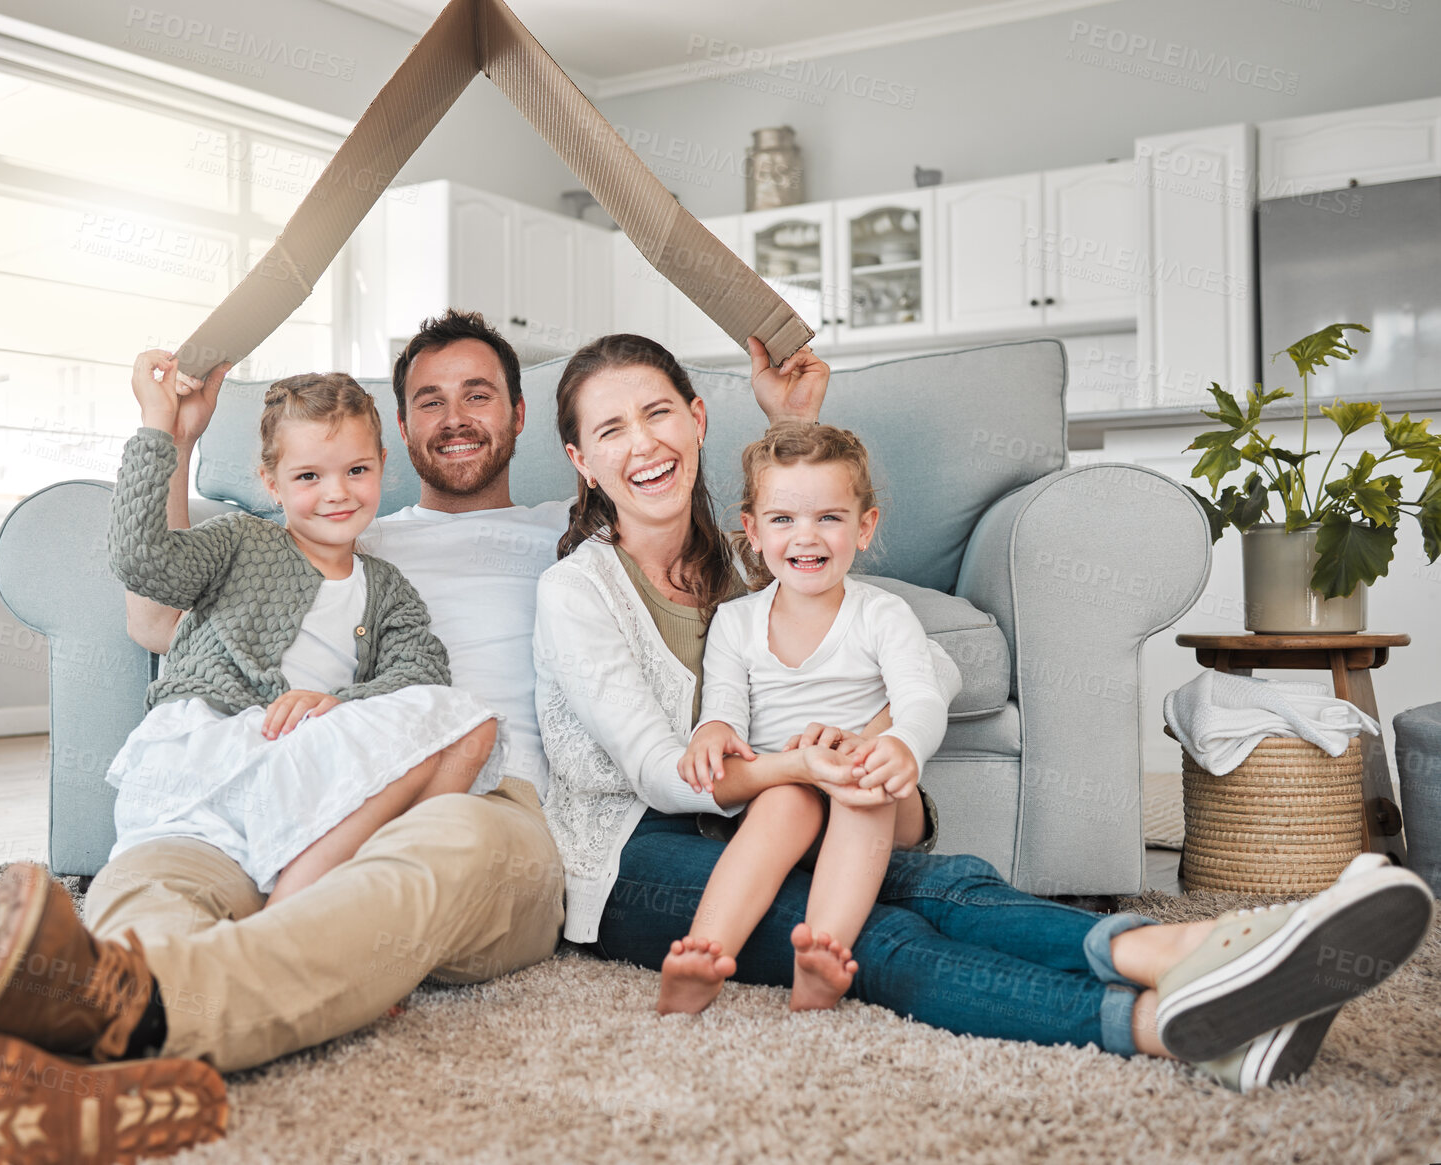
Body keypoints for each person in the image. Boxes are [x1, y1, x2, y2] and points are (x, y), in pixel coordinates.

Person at [0, 311, 827, 1165]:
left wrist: (793, 428)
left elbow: (769, 567)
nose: (456, 415)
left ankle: (127, 1013)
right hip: (291, 782)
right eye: (429, 399)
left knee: (446, 846)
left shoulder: (581, 537)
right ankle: (108, 1071)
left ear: (527, 421)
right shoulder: (339, 524)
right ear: (397, 431)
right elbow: (153, 620)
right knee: (162, 865)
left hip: (482, 802)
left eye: (479, 392)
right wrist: (173, 440)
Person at [533, 332, 1434, 1092]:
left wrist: (875, 738)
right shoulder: (577, 592)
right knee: (871, 933)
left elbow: (874, 622)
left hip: (775, 812)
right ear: (580, 459)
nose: (641, 442)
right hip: (631, 857)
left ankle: (1206, 944)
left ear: (695, 419)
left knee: (946, 880)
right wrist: (806, 766)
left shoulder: (747, 563)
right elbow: (660, 773)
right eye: (609, 428)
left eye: (658, 412)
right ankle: (1168, 1021)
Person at [106, 357, 503, 906]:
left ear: (383, 466)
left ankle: (317, 901)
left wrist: (336, 702)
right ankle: (296, 907)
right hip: (220, 748)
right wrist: (158, 427)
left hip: (305, 759)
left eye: (356, 471)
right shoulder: (240, 543)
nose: (337, 493)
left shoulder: (386, 587)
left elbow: (421, 674)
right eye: (309, 476)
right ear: (272, 483)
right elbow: (141, 559)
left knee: (467, 720)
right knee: (176, 897)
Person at [664, 421, 953, 1014]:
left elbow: (920, 697)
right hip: (790, 800)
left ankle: (822, 956)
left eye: (829, 517)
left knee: (858, 780)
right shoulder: (737, 621)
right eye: (783, 519)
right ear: (752, 530)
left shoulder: (883, 614)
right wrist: (711, 732)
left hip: (881, 804)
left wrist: (901, 746)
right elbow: (722, 711)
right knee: (783, 795)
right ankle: (703, 954)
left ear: (863, 527)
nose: (807, 537)